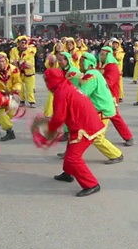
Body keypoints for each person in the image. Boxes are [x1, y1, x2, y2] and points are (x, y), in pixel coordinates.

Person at [44, 68, 102, 197]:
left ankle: (91, 184)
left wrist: (50, 131)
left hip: (85, 126)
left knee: (73, 157)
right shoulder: (65, 85)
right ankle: (68, 173)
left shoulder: (61, 92)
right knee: (71, 148)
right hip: (83, 122)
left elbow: (59, 117)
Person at [78, 53, 124, 164]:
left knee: (96, 136)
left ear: (88, 64)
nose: (79, 64)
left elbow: (83, 94)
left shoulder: (91, 75)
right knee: (84, 135)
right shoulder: (94, 73)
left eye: (81, 62)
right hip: (103, 109)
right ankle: (73, 156)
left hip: (102, 110)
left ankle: (116, 154)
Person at [99, 46, 134, 146]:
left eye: (103, 54)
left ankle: (128, 137)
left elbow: (109, 82)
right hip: (102, 96)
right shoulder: (101, 65)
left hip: (111, 97)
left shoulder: (112, 67)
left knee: (115, 117)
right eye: (100, 54)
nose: (100, 56)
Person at [0, 53, 23, 142]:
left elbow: (18, 82)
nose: (1, 63)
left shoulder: (14, 70)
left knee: (11, 113)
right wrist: (0, 92)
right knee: (2, 113)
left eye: (3, 61)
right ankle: (9, 132)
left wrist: (16, 90)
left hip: (12, 94)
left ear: (6, 61)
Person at [9, 36, 37, 108]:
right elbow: (12, 60)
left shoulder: (30, 50)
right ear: (18, 43)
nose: (23, 43)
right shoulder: (13, 50)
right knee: (20, 87)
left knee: (30, 88)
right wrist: (19, 62)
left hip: (29, 72)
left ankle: (31, 101)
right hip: (18, 72)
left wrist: (22, 62)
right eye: (22, 42)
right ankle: (21, 101)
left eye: (25, 42)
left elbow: (30, 63)